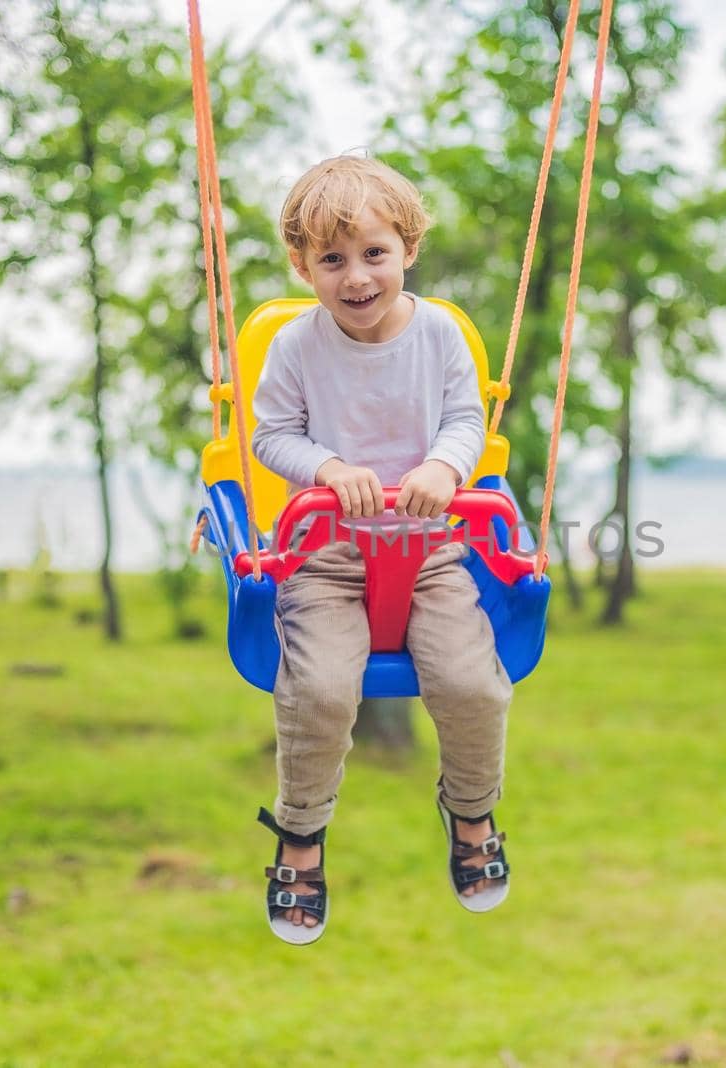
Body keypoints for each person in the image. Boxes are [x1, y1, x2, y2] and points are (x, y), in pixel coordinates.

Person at [248, 155, 514, 944]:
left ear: (408, 249)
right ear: (303, 266)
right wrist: (327, 469)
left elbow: (468, 421)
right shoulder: (297, 346)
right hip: (326, 551)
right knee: (322, 690)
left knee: (472, 684)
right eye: (332, 260)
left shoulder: (437, 334)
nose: (356, 277)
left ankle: (471, 812)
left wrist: (443, 465)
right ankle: (301, 833)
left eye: (374, 254)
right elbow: (269, 434)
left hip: (430, 546)